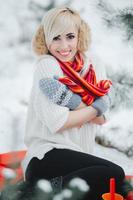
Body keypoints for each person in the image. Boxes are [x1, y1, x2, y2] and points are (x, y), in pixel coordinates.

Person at [22, 7, 125, 200]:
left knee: (113, 186)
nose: (64, 46)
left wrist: (73, 103)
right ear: (45, 39)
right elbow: (58, 122)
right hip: (46, 157)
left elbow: (102, 118)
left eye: (70, 36)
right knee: (115, 174)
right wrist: (95, 106)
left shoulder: (94, 65)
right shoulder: (47, 64)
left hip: (79, 160)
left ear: (79, 36)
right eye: (56, 38)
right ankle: (31, 194)